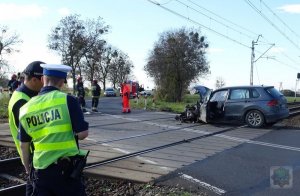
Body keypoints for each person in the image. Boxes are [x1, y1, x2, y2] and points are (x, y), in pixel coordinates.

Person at [19, 64, 89, 196]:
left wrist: (28, 170)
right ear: (62, 82)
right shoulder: (68, 100)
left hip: (40, 171)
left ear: (42, 80)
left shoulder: (25, 108)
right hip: (66, 172)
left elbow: (24, 145)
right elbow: (82, 134)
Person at [8, 61, 44, 196]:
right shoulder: (22, 101)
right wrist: (28, 166)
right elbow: (27, 136)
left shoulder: (28, 95)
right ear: (34, 80)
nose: (45, 83)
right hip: (34, 157)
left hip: (37, 155)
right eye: (43, 80)